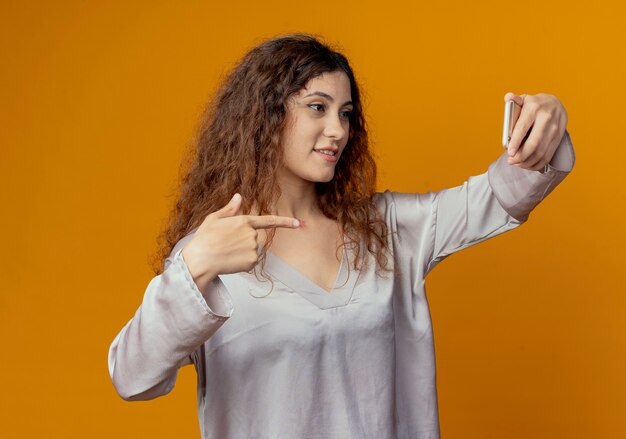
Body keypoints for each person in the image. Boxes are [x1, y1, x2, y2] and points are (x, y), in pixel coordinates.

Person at [108, 34, 575, 439]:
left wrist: (547, 120)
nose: (338, 130)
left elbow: (500, 196)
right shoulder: (212, 251)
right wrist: (195, 266)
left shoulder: (387, 229)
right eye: (317, 108)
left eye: (346, 113)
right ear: (264, 118)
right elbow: (133, 377)